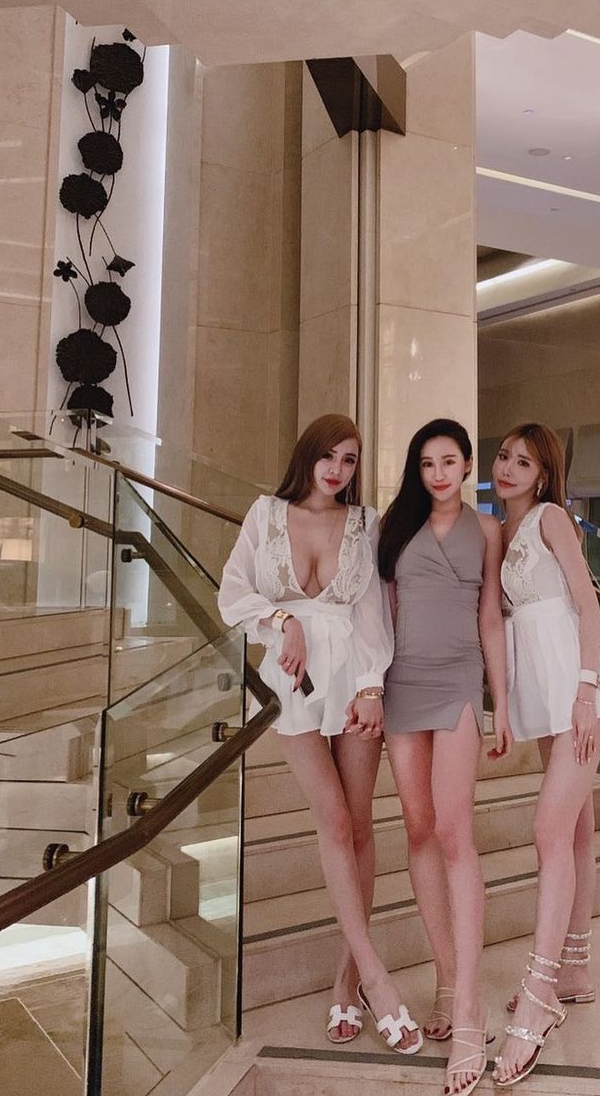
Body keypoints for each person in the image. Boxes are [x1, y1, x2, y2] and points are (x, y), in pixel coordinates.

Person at [218, 414, 422, 1055]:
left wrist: (371, 686)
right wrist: (284, 620)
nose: (337, 470)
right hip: (293, 681)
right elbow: (232, 592)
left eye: (350, 460)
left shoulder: (363, 524)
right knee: (332, 821)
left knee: (359, 827)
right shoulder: (265, 515)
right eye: (328, 456)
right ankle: (378, 980)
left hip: (354, 680)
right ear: (307, 455)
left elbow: (373, 611)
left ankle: (347, 981)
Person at [491, 422, 600, 1088]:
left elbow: (587, 603)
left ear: (544, 475)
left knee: (549, 829)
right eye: (503, 457)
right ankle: (574, 969)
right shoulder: (504, 530)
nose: (508, 468)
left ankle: (540, 994)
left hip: (580, 693)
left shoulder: (549, 518)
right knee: (574, 831)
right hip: (544, 695)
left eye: (524, 461)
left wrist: (585, 688)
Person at [377, 418, 512, 1096]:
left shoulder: (487, 530)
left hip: (459, 682)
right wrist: (369, 688)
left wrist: (501, 703)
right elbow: (382, 612)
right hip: (402, 683)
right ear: (418, 468)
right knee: (419, 829)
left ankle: (468, 1007)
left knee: (456, 832)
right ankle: (444, 976)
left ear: (466, 466)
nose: (438, 473)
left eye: (449, 461)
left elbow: (491, 618)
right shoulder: (394, 525)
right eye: (427, 462)